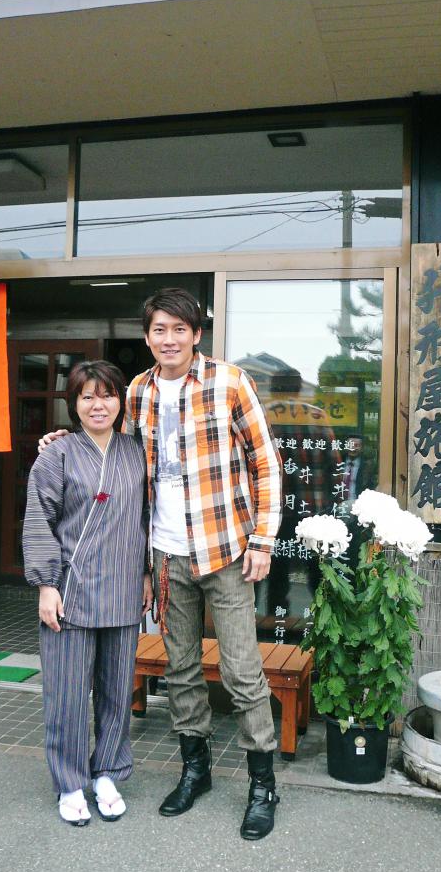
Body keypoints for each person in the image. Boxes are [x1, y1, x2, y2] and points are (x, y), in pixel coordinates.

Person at [40, 288, 283, 840]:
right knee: (181, 670)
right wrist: (63, 441)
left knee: (242, 671)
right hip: (166, 553)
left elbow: (265, 463)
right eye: (158, 329)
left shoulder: (230, 381)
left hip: (225, 550)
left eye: (179, 329)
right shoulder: (137, 390)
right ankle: (195, 770)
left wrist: (263, 540)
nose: (168, 339)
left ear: (196, 334)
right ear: (146, 336)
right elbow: (116, 458)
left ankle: (262, 785)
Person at [24, 360, 152, 827]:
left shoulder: (137, 452)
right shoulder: (56, 454)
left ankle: (108, 775)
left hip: (123, 588)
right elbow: (39, 520)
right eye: (87, 396)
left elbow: (145, 519)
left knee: (117, 692)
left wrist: (146, 574)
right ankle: (70, 782)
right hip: (70, 592)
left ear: (121, 401)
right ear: (73, 403)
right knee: (67, 695)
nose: (99, 405)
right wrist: (45, 586)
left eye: (108, 395)